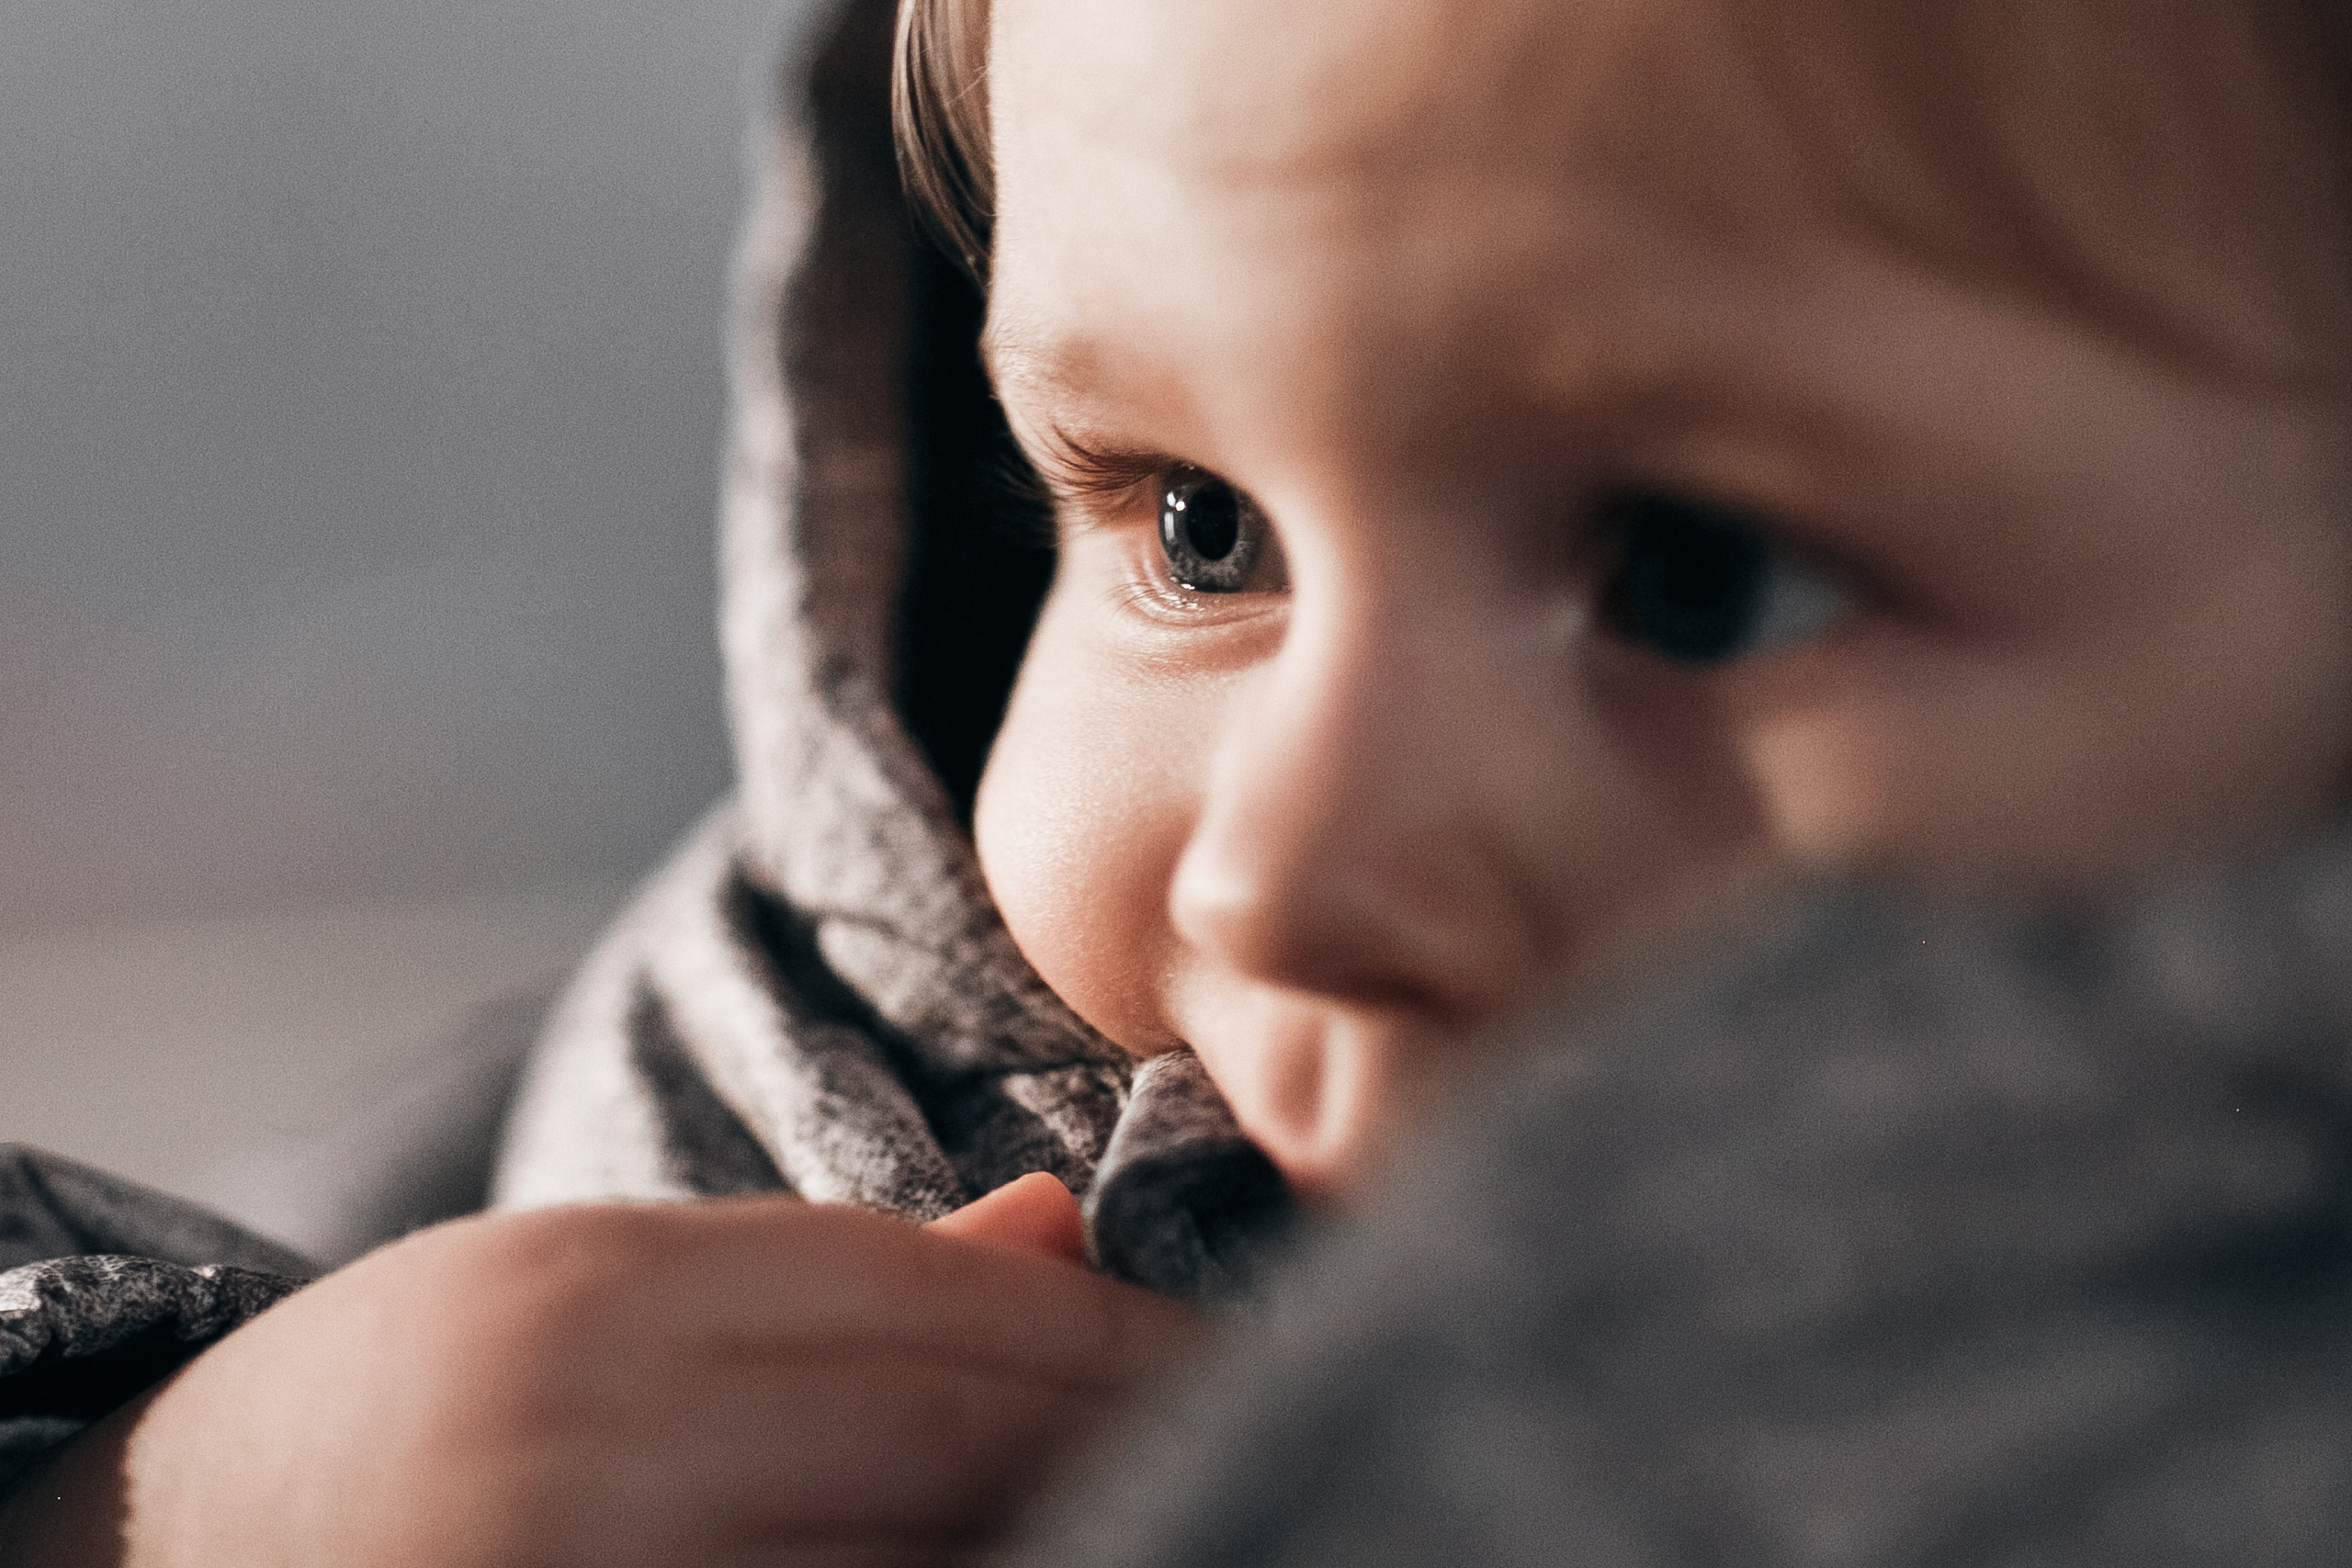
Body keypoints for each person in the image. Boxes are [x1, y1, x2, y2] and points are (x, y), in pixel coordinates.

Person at [3, 0, 2348, 1560]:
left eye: (1699, 574)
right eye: (1188, 525)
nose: (1284, 868)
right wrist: (177, 1491)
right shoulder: (742, 1069)